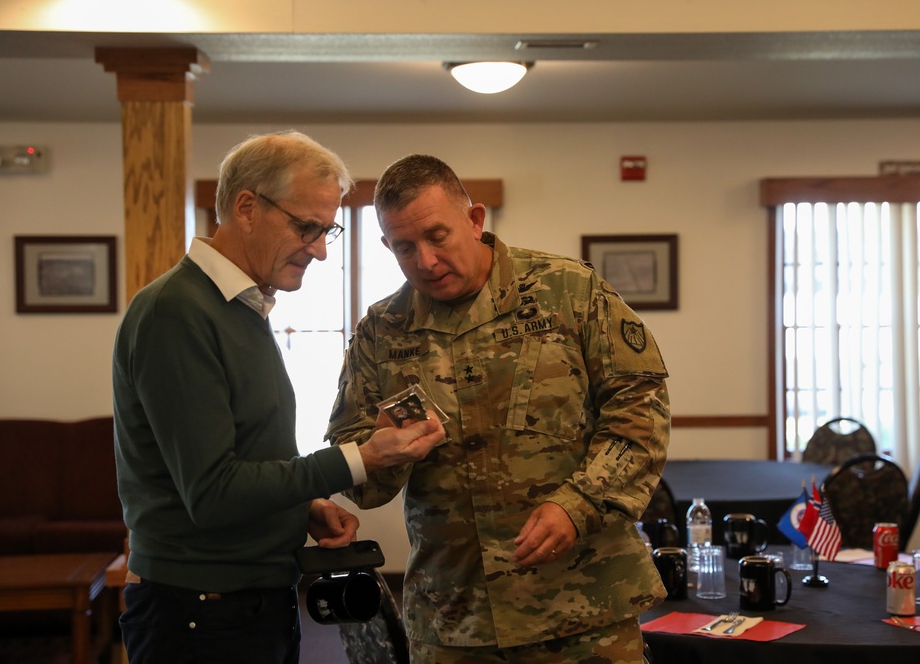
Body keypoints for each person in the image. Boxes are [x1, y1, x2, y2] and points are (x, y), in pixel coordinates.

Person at [112, 131, 445, 664]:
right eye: (305, 226)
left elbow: (242, 458)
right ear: (246, 207)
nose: (318, 248)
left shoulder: (240, 306)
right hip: (201, 612)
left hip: (243, 601)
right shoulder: (177, 312)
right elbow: (214, 492)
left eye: (326, 229)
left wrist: (300, 507)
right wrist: (361, 458)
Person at [326, 154, 671, 662]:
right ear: (387, 246)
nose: (424, 260)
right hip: (454, 619)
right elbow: (357, 470)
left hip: (583, 606)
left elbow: (640, 413)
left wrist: (578, 504)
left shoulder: (569, 292)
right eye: (404, 247)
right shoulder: (382, 331)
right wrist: (379, 453)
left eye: (437, 236)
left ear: (475, 219)